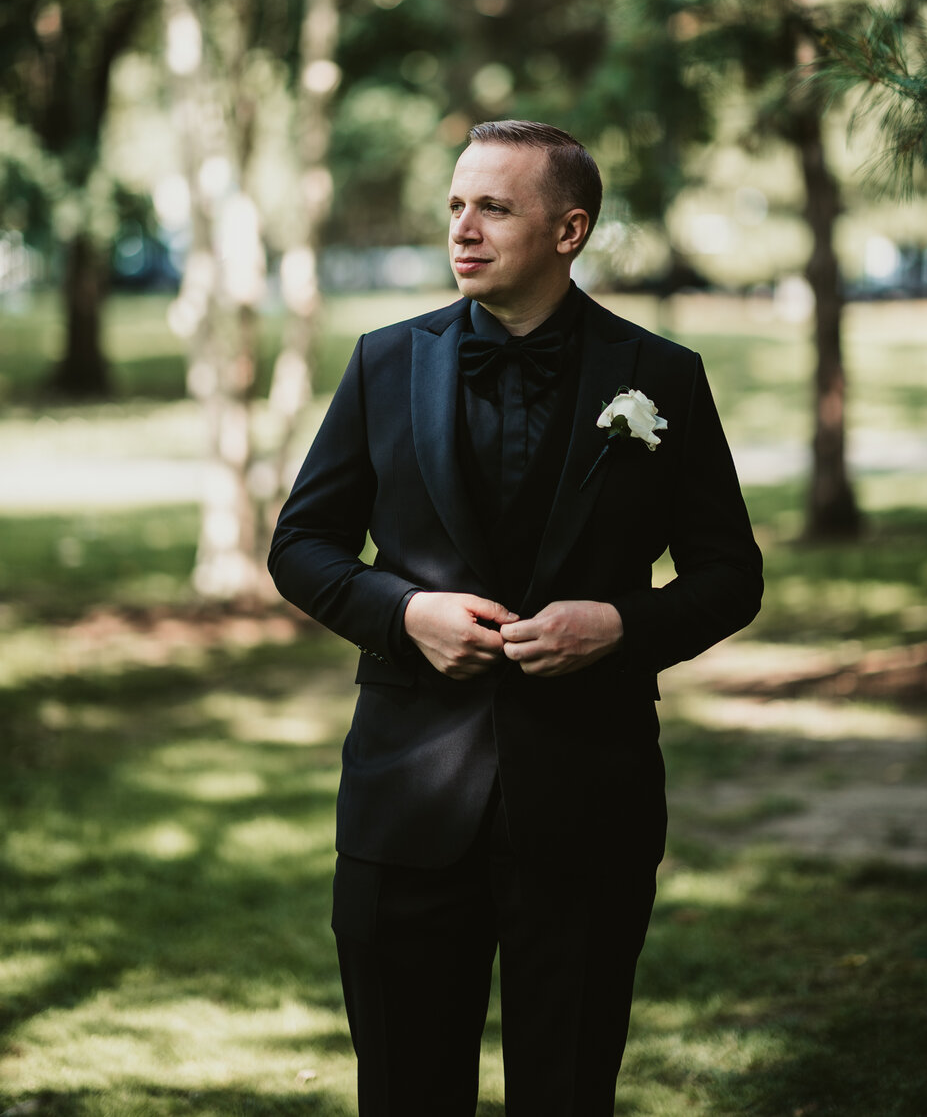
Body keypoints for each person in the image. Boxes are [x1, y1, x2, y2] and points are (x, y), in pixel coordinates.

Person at [268, 120, 763, 1117]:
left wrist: (620, 626)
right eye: (456, 204)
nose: (463, 227)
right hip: (406, 799)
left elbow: (728, 576)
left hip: (590, 801)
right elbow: (301, 546)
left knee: (568, 1092)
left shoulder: (659, 377)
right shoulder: (380, 365)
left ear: (569, 229)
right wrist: (405, 612)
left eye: (493, 207)